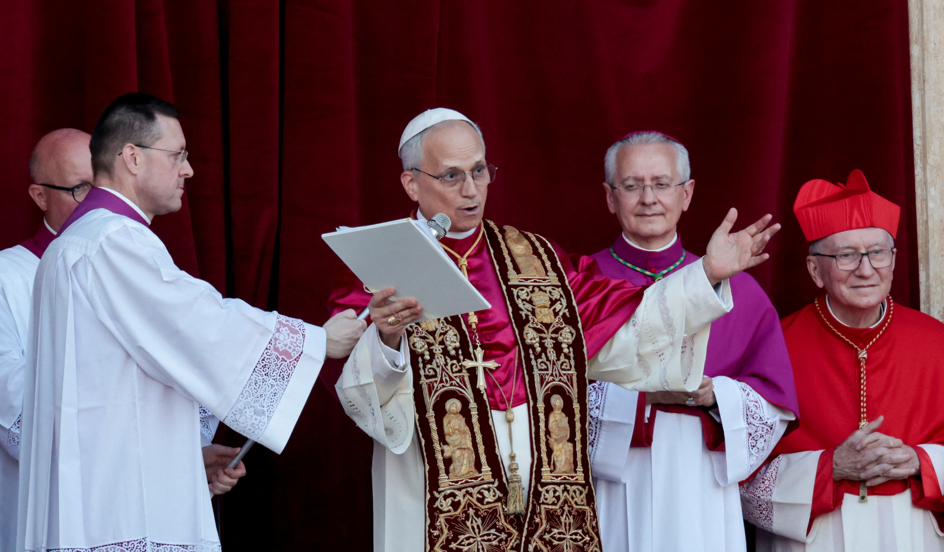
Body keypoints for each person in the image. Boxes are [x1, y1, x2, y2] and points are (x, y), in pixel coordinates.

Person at [329, 108, 781, 551]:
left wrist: (706, 274)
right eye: (451, 176)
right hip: (434, 491)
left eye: (479, 171)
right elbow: (359, 391)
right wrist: (386, 338)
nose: (471, 189)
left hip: (544, 494)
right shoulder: (380, 264)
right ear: (412, 183)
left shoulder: (537, 260)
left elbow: (624, 327)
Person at [17, 94, 365, 552]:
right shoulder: (113, 240)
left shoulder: (76, 240)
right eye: (177, 155)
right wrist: (315, 342)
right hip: (120, 503)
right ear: (133, 158)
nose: (189, 170)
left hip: (101, 483)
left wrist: (188, 453)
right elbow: (198, 325)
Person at [586, 131, 800, 551]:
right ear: (610, 198)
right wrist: (639, 398)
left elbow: (774, 403)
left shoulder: (741, 291)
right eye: (632, 185)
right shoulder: (581, 284)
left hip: (701, 479)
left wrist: (716, 395)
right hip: (612, 479)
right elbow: (549, 396)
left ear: (686, 194)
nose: (649, 198)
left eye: (662, 183)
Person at [740, 169, 944, 551]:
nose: (866, 269)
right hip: (813, 537)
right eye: (846, 255)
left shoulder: (937, 342)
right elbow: (739, 475)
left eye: (877, 252)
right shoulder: (773, 347)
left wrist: (920, 461)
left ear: (893, 260)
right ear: (814, 270)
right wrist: (830, 467)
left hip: (914, 534)